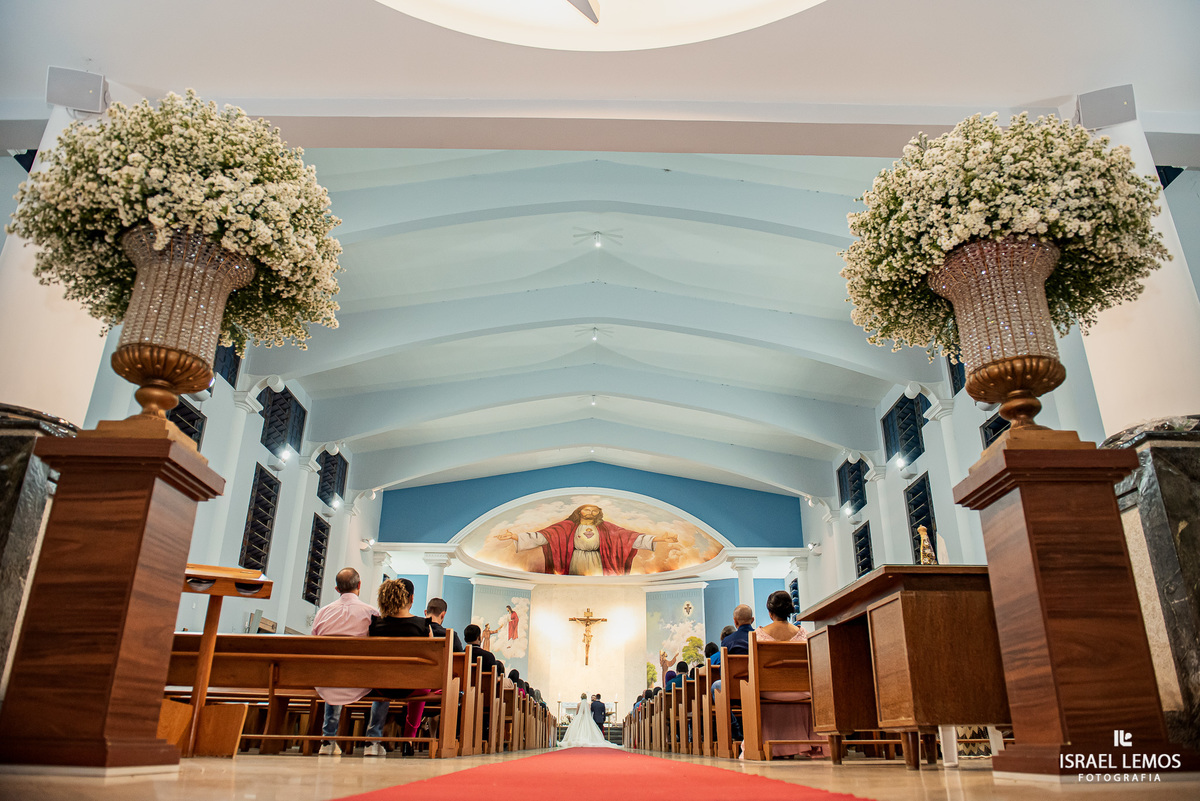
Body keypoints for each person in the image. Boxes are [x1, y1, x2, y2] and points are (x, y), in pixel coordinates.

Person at [495, 503, 678, 576]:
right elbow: (543, 536)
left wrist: (660, 539)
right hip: (576, 559)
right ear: (579, 511)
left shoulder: (607, 529)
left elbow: (631, 538)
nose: (590, 513)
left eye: (594, 510)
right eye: (586, 509)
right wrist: (514, 536)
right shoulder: (567, 527)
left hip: (597, 560)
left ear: (599, 513)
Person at [751, 590, 828, 759]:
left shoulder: (756, 636)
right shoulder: (805, 635)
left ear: (770, 613)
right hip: (801, 691)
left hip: (769, 692)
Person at [363, 578, 436, 757]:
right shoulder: (423, 626)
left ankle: (374, 737)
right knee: (423, 678)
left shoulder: (375, 624)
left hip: (381, 687)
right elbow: (432, 661)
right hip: (413, 689)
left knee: (384, 674)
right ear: (411, 599)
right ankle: (408, 739)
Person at [311, 568, 378, 756]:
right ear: (359, 585)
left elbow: (313, 644)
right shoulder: (371, 613)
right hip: (360, 680)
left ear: (336, 588)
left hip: (328, 679)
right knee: (384, 680)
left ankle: (328, 739)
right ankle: (373, 740)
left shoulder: (323, 613)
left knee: (333, 673)